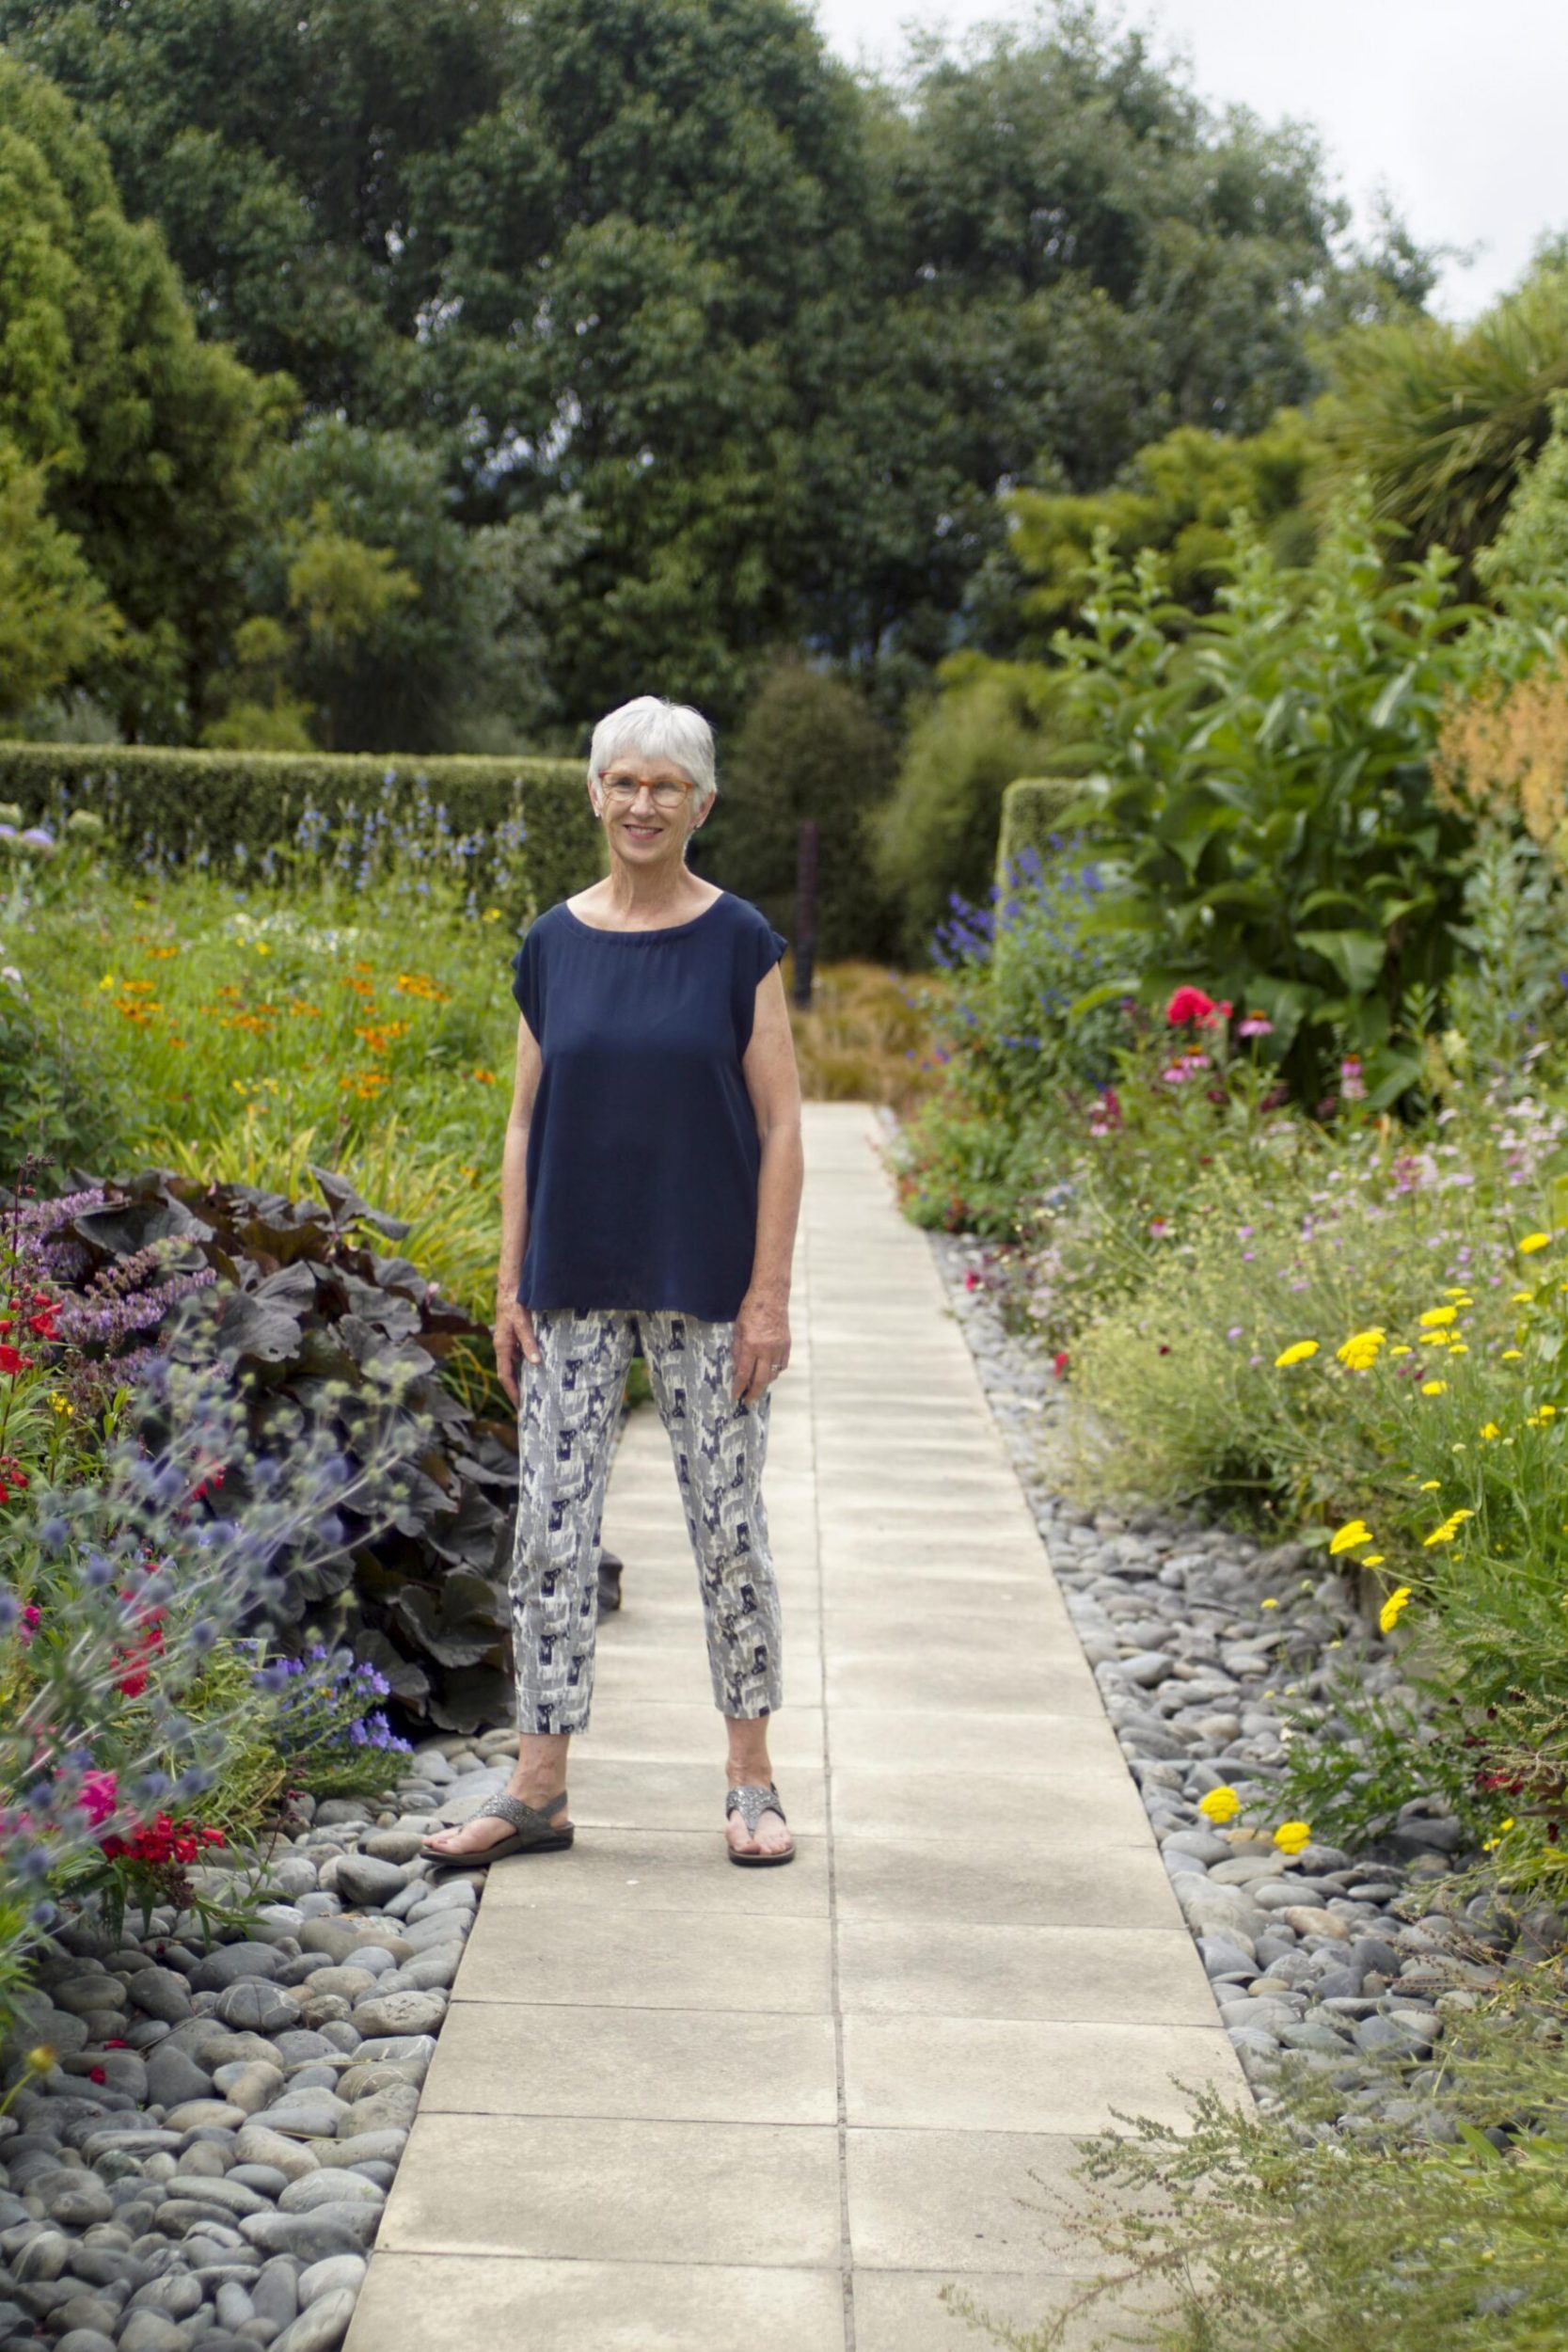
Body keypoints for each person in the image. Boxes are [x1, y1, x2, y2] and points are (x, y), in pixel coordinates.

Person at [422, 695, 804, 1869]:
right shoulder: (552, 942)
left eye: (667, 786)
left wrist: (767, 1294)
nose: (643, 804)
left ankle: (750, 1783)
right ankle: (537, 1789)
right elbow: (525, 1120)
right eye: (624, 782)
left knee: (726, 1528)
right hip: (569, 1282)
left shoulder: (739, 940)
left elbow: (783, 1124)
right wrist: (507, 1280)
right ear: (594, 793)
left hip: (706, 1283)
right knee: (546, 1531)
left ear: (701, 803)